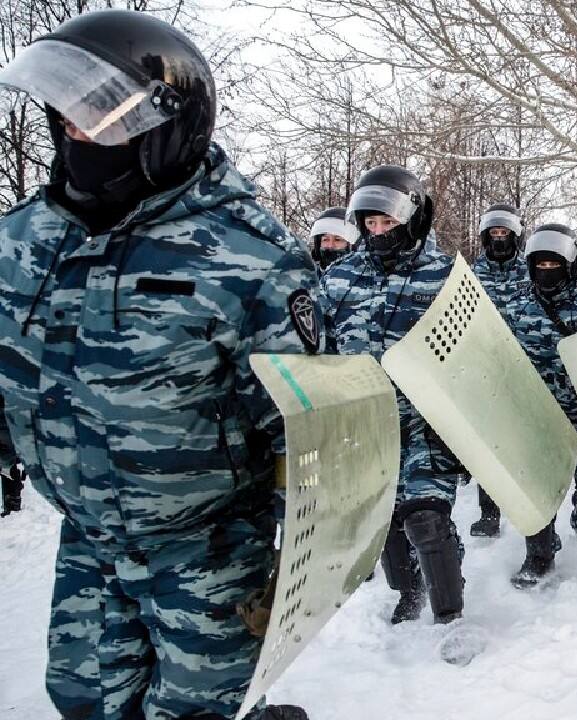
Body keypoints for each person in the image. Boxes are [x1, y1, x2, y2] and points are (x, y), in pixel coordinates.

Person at [0, 9, 318, 718]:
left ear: (168, 128)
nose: (79, 137)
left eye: (100, 122)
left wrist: (298, 567)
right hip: (88, 541)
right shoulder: (21, 241)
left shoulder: (250, 260)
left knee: (198, 711)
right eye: (69, 120)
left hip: (208, 553)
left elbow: (305, 435)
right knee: (85, 700)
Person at [322, 166, 471, 633]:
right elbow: (322, 351)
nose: (379, 231)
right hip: (366, 423)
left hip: (427, 422)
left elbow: (474, 352)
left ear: (413, 219)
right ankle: (410, 591)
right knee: (386, 517)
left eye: (388, 221)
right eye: (371, 223)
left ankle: (450, 617)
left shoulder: (445, 275)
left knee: (426, 516)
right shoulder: (339, 277)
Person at [501, 224, 577, 588]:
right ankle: (539, 554)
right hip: (538, 413)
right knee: (539, 487)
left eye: (554, 264)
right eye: (540, 264)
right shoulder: (516, 305)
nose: (546, 271)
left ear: (570, 265)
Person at [469, 202, 527, 538]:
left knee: (523, 442)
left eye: (505, 232)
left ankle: (529, 509)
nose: (499, 238)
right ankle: (489, 513)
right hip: (486, 368)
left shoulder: (531, 269)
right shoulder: (471, 273)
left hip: (524, 367)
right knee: (488, 444)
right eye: (494, 232)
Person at [307, 206, 357, 271]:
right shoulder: (308, 273)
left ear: (351, 244)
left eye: (338, 240)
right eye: (325, 239)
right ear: (318, 243)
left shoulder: (363, 274)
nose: (330, 245)